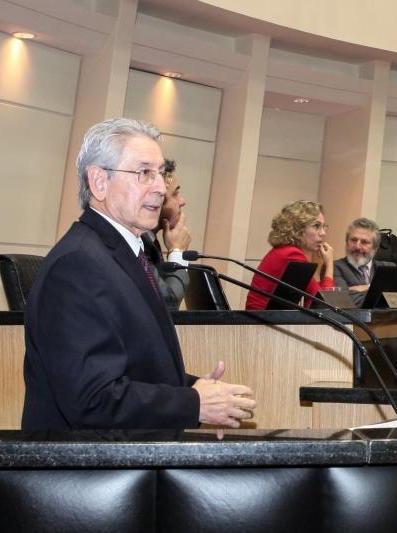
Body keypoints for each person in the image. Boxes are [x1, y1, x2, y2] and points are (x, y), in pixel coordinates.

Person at [22, 118, 256, 430]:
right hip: (93, 472)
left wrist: (195, 390)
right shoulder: (79, 265)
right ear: (99, 182)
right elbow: (92, 398)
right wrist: (193, 404)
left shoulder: (122, 253)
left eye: (162, 173)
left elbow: (133, 368)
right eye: (145, 173)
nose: (160, 188)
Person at [245, 200, 336, 310]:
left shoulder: (285, 251)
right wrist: (329, 264)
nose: (323, 233)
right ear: (298, 228)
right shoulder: (291, 254)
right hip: (262, 324)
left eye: (323, 226)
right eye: (316, 226)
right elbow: (322, 305)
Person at [141, 158, 191, 310]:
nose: (182, 201)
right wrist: (177, 251)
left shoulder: (150, 240)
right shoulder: (136, 243)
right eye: (175, 194)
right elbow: (168, 304)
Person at [333, 217, 397, 306]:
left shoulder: (389, 268)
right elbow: (344, 299)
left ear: (375, 248)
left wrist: (363, 288)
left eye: (364, 242)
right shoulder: (335, 267)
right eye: (353, 240)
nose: (357, 246)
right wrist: (384, 293)